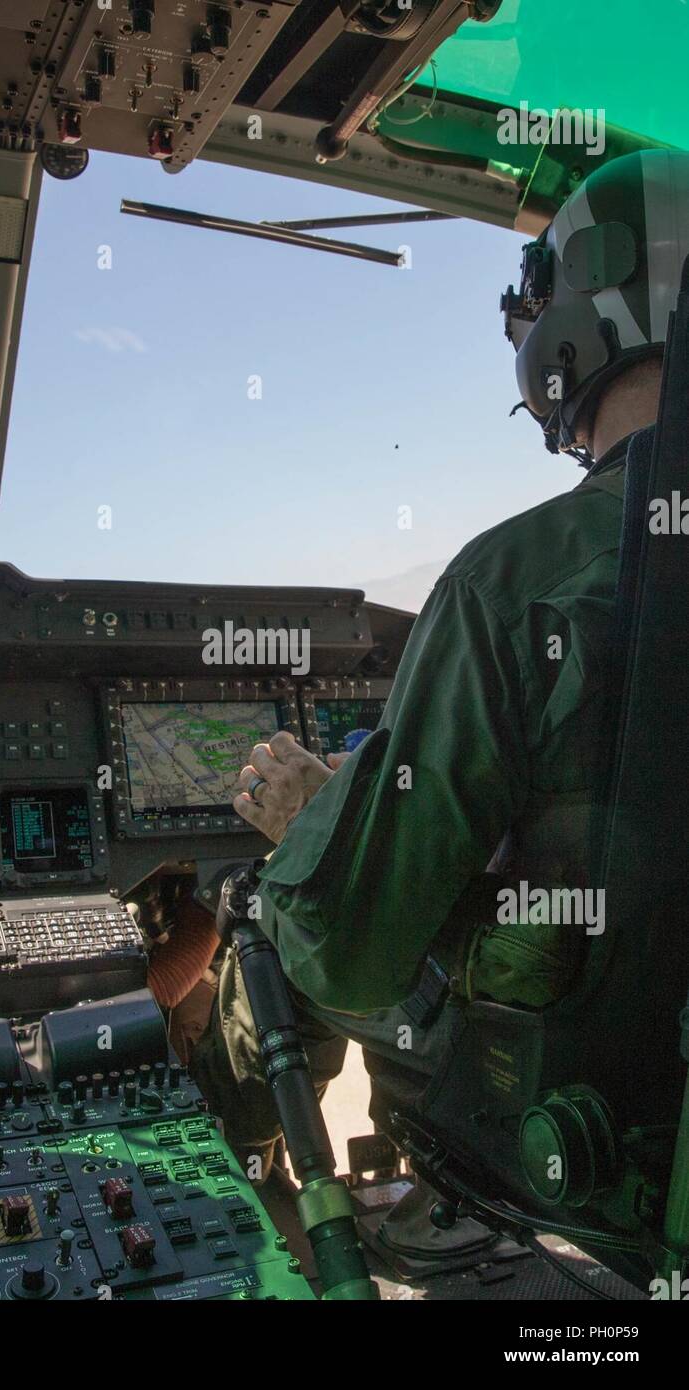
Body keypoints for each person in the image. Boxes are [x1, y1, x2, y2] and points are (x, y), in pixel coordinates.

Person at [190, 148, 689, 1181]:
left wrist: (310, 822)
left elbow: (361, 947)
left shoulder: (514, 582)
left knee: (274, 916)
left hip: (583, 1135)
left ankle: (217, 1200)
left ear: (572, 322)